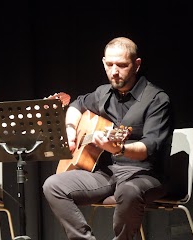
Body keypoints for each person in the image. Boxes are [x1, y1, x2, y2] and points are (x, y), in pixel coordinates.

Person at [43, 37, 173, 240]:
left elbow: (150, 147)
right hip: (108, 173)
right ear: (104, 62)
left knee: (129, 191)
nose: (114, 71)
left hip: (146, 175)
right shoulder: (103, 94)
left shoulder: (156, 99)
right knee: (53, 185)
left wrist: (120, 149)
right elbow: (77, 105)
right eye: (110, 64)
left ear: (136, 65)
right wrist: (70, 132)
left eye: (122, 65)